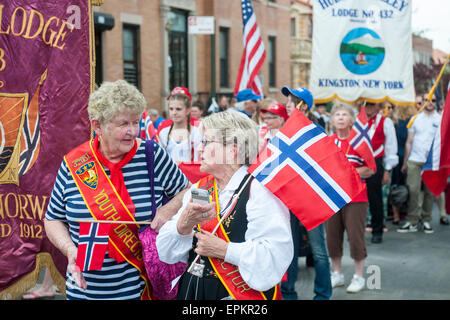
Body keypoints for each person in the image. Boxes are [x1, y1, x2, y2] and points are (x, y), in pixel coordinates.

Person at [44, 80, 190, 300]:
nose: (133, 131)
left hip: (140, 291)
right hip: (82, 291)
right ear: (97, 126)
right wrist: (69, 250)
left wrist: (167, 211)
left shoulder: (152, 156)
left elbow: (187, 191)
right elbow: (53, 218)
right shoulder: (74, 163)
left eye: (136, 122)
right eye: (124, 124)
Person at [156, 110, 293, 300]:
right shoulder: (199, 188)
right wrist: (182, 225)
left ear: (232, 150)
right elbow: (165, 252)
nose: (200, 148)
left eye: (207, 142)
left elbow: (273, 255)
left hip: (239, 295)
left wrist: (224, 250)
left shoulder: (260, 191)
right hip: (194, 291)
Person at [280, 86, 332, 300]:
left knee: (318, 250)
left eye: (292, 100)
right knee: (288, 247)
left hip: (312, 198)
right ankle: (288, 292)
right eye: (288, 99)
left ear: (304, 106)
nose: (287, 103)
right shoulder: (283, 129)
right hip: (289, 197)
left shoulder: (316, 130)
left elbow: (324, 164)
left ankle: (322, 294)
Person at [326, 103, 374, 293]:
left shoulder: (359, 142)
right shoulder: (327, 142)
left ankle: (359, 276)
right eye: (336, 114)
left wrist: (347, 172)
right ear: (332, 119)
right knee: (332, 237)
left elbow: (370, 169)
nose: (340, 117)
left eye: (344, 114)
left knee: (356, 237)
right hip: (332, 198)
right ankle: (336, 274)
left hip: (356, 197)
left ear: (351, 120)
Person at [398, 94, 446, 233]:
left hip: (432, 162)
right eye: (427, 100)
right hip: (415, 159)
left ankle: (426, 220)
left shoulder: (440, 119)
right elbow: (409, 141)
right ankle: (412, 221)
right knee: (413, 190)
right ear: (422, 102)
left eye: (433, 100)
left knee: (429, 192)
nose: (430, 102)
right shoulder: (415, 118)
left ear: (436, 102)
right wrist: (405, 162)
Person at [364, 101, 398, 243]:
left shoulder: (386, 122)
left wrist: (387, 169)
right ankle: (357, 230)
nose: (369, 107)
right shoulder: (356, 120)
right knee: (355, 200)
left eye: (372, 104)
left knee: (375, 198)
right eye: (366, 104)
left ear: (378, 106)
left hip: (376, 162)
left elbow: (391, 146)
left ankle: (377, 231)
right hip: (356, 163)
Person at [157, 87, 202, 164]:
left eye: (178, 109)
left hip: (189, 175)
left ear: (188, 110)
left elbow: (198, 164)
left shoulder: (197, 133)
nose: (174, 112)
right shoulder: (163, 133)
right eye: (171, 109)